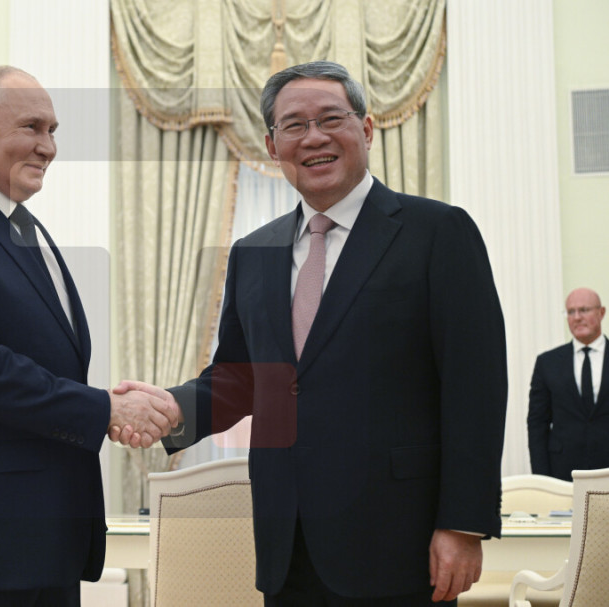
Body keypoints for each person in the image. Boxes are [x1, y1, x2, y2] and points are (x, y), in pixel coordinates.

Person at [114, 61, 508, 605]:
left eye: (330, 119)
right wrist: (171, 408)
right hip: (287, 541)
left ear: (365, 129)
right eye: (294, 125)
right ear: (273, 146)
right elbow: (240, 379)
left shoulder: (438, 232)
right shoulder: (253, 252)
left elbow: (475, 387)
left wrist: (463, 523)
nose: (314, 137)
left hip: (402, 539)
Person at [0, 65, 177, 606]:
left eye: (53, 131)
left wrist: (108, 407)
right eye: (32, 127)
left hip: (45, 541)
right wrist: (104, 410)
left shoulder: (26, 229)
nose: (48, 147)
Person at [528, 288, 609, 481]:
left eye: (584, 310)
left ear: (601, 312)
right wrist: (542, 479)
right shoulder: (547, 363)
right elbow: (537, 424)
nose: (577, 317)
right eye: (571, 312)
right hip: (562, 472)